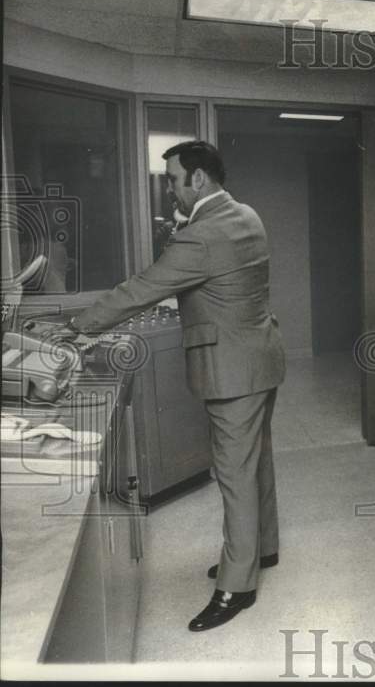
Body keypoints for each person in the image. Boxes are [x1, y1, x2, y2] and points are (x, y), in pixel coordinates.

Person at [56, 140, 286, 632]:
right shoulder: (247, 215)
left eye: (174, 181)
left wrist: (79, 325)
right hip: (262, 357)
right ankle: (261, 551)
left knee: (234, 473)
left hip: (231, 369)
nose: (170, 192)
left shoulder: (202, 235)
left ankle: (237, 585)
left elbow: (142, 288)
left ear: (198, 179)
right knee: (256, 462)